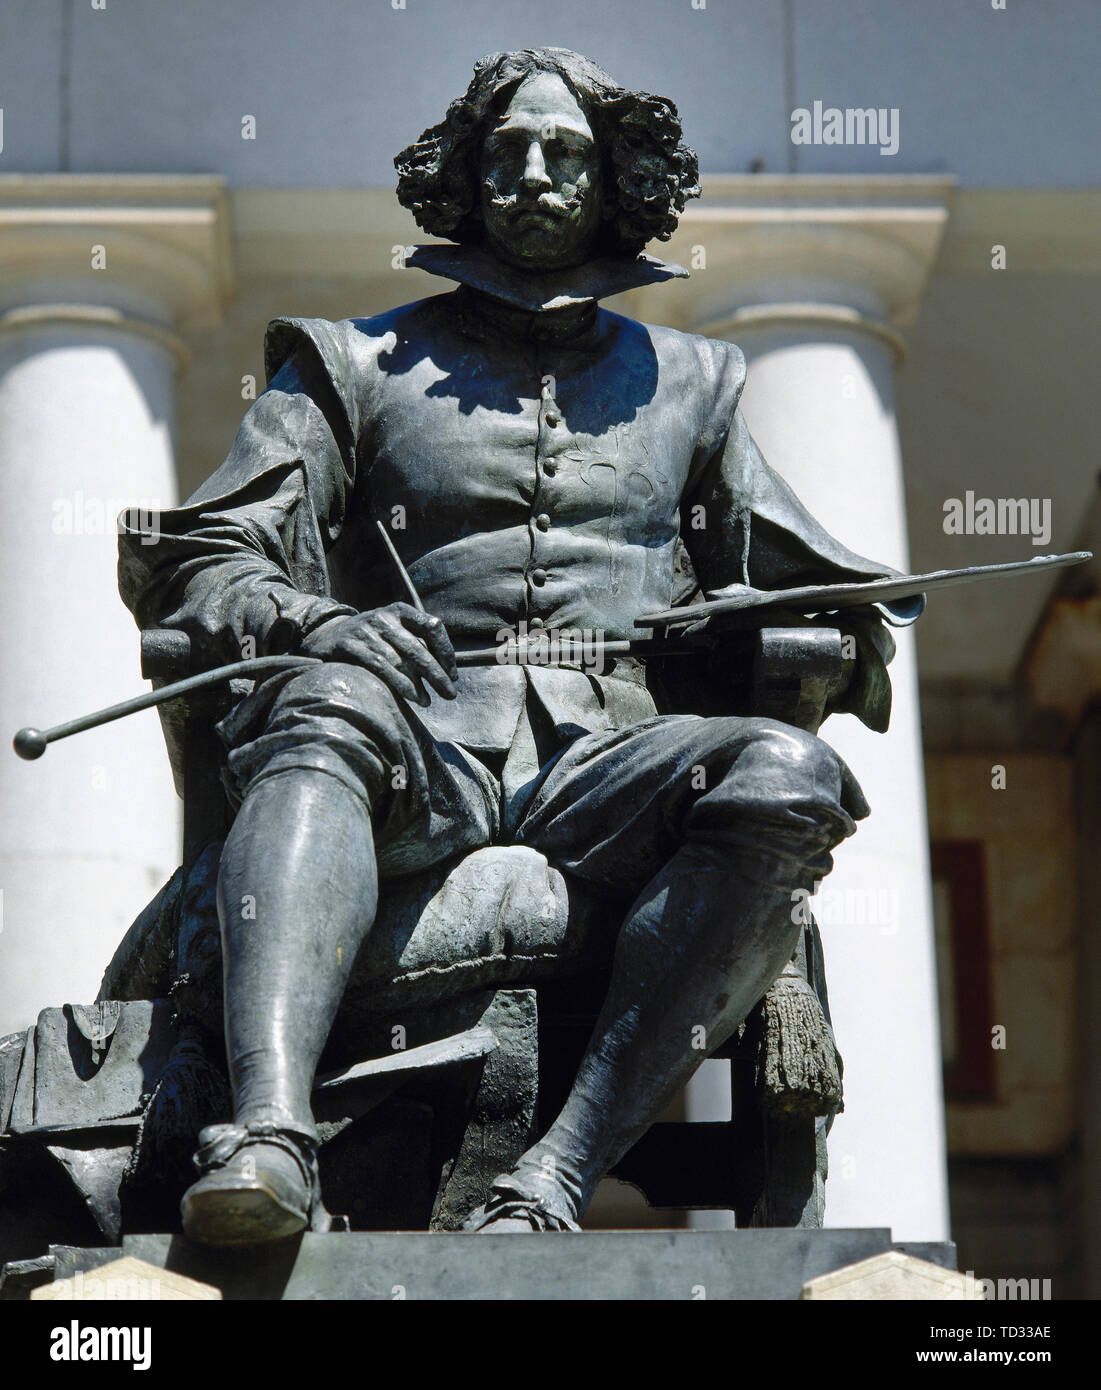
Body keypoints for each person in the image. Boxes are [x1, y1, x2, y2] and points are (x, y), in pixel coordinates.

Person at [119, 47, 915, 1244]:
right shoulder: (351, 366)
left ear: (614, 185)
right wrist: (319, 619)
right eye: (509, 152)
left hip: (612, 764)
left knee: (787, 773)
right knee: (323, 705)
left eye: (567, 154)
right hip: (413, 740)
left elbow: (822, 589)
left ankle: (553, 1174)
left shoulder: (697, 383)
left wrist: (838, 636)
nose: (535, 174)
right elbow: (201, 556)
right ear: (464, 176)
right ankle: (270, 1143)